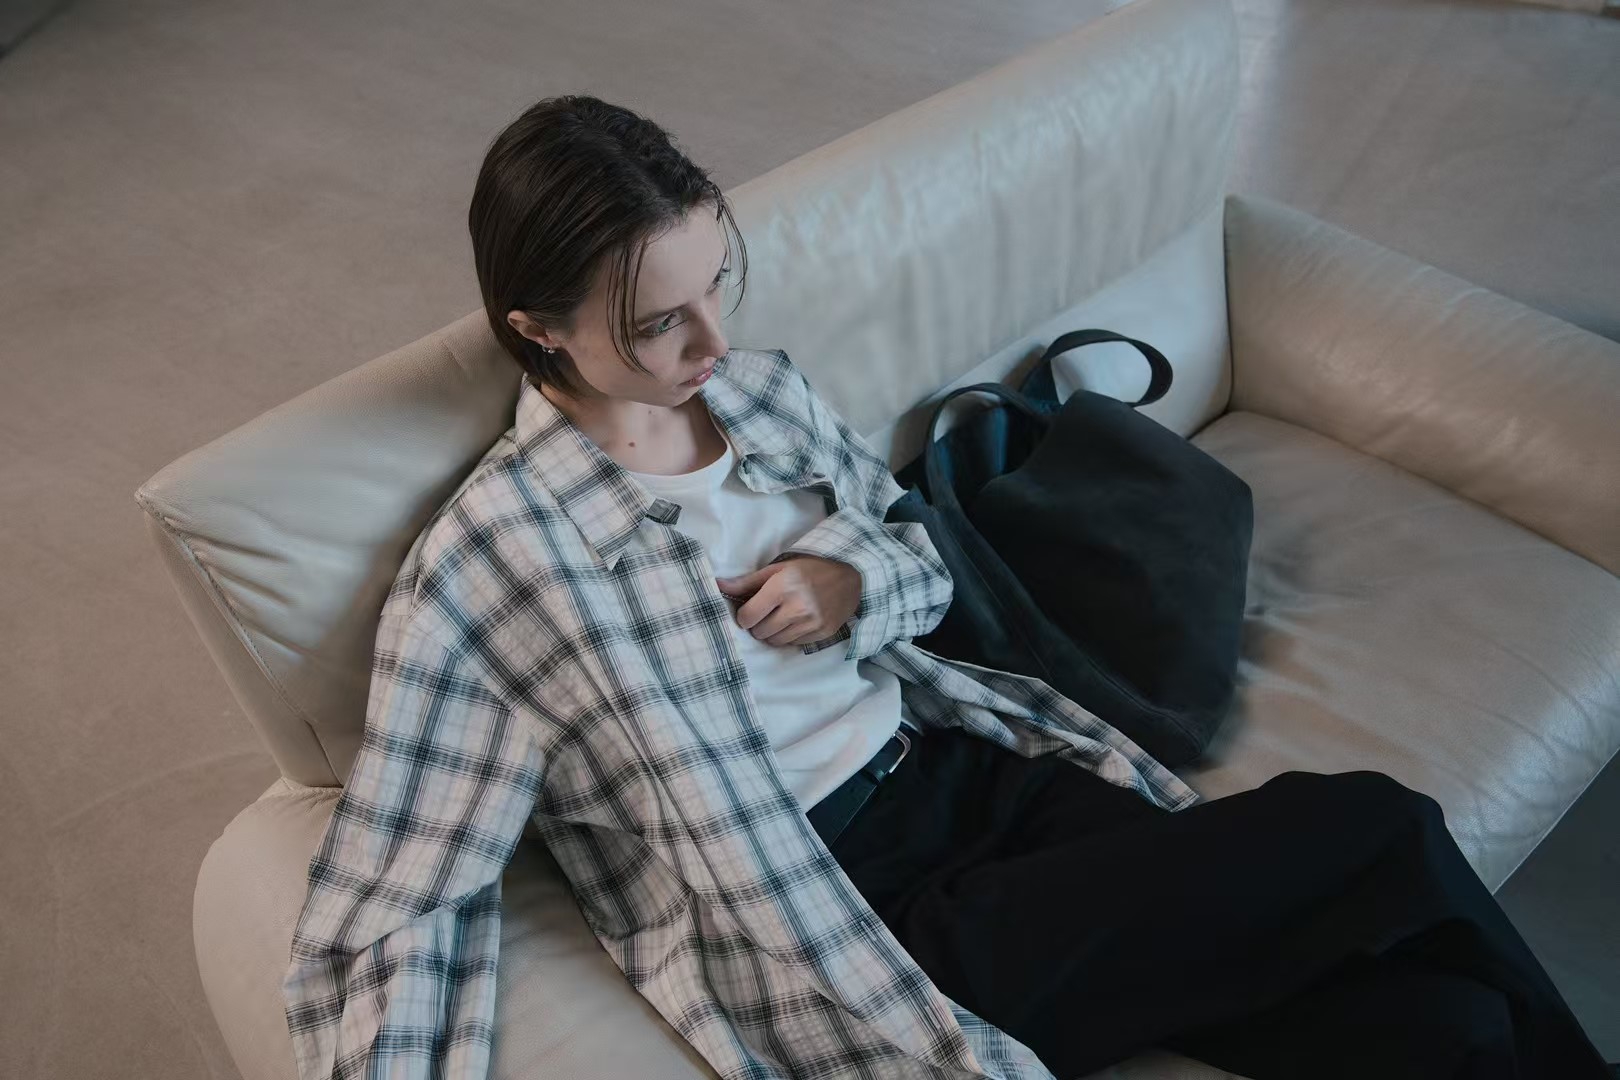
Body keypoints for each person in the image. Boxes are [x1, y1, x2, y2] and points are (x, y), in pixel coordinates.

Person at [282, 94, 1612, 1080]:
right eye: (657, 323)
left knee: (1445, 1027)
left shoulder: (766, 397)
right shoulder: (496, 568)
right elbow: (398, 897)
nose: (715, 341)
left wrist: (848, 579)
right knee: (1375, 826)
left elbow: (921, 563)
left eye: (715, 283)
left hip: (986, 771)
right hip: (864, 909)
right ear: (537, 329)